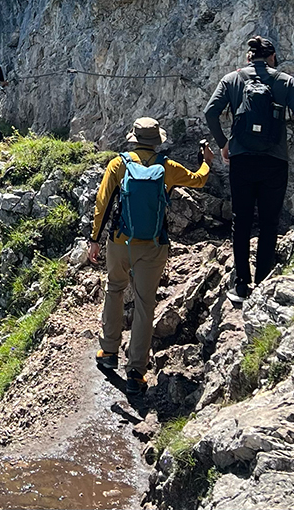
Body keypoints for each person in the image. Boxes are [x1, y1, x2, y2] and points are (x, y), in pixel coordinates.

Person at [88, 117, 213, 395]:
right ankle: (136, 373)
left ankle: (108, 353)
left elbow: (103, 203)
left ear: (133, 139)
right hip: (154, 246)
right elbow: (200, 180)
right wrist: (206, 160)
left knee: (114, 290)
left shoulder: (118, 164)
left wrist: (95, 239)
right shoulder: (167, 167)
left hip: (120, 243)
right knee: (145, 306)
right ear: (157, 141)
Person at [204, 36, 294, 302]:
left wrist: (224, 144)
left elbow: (210, 113)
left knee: (242, 222)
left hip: (242, 160)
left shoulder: (232, 79)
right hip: (275, 160)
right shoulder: (285, 81)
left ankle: (241, 285)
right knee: (270, 222)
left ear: (249, 58)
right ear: (272, 57)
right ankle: (263, 281)